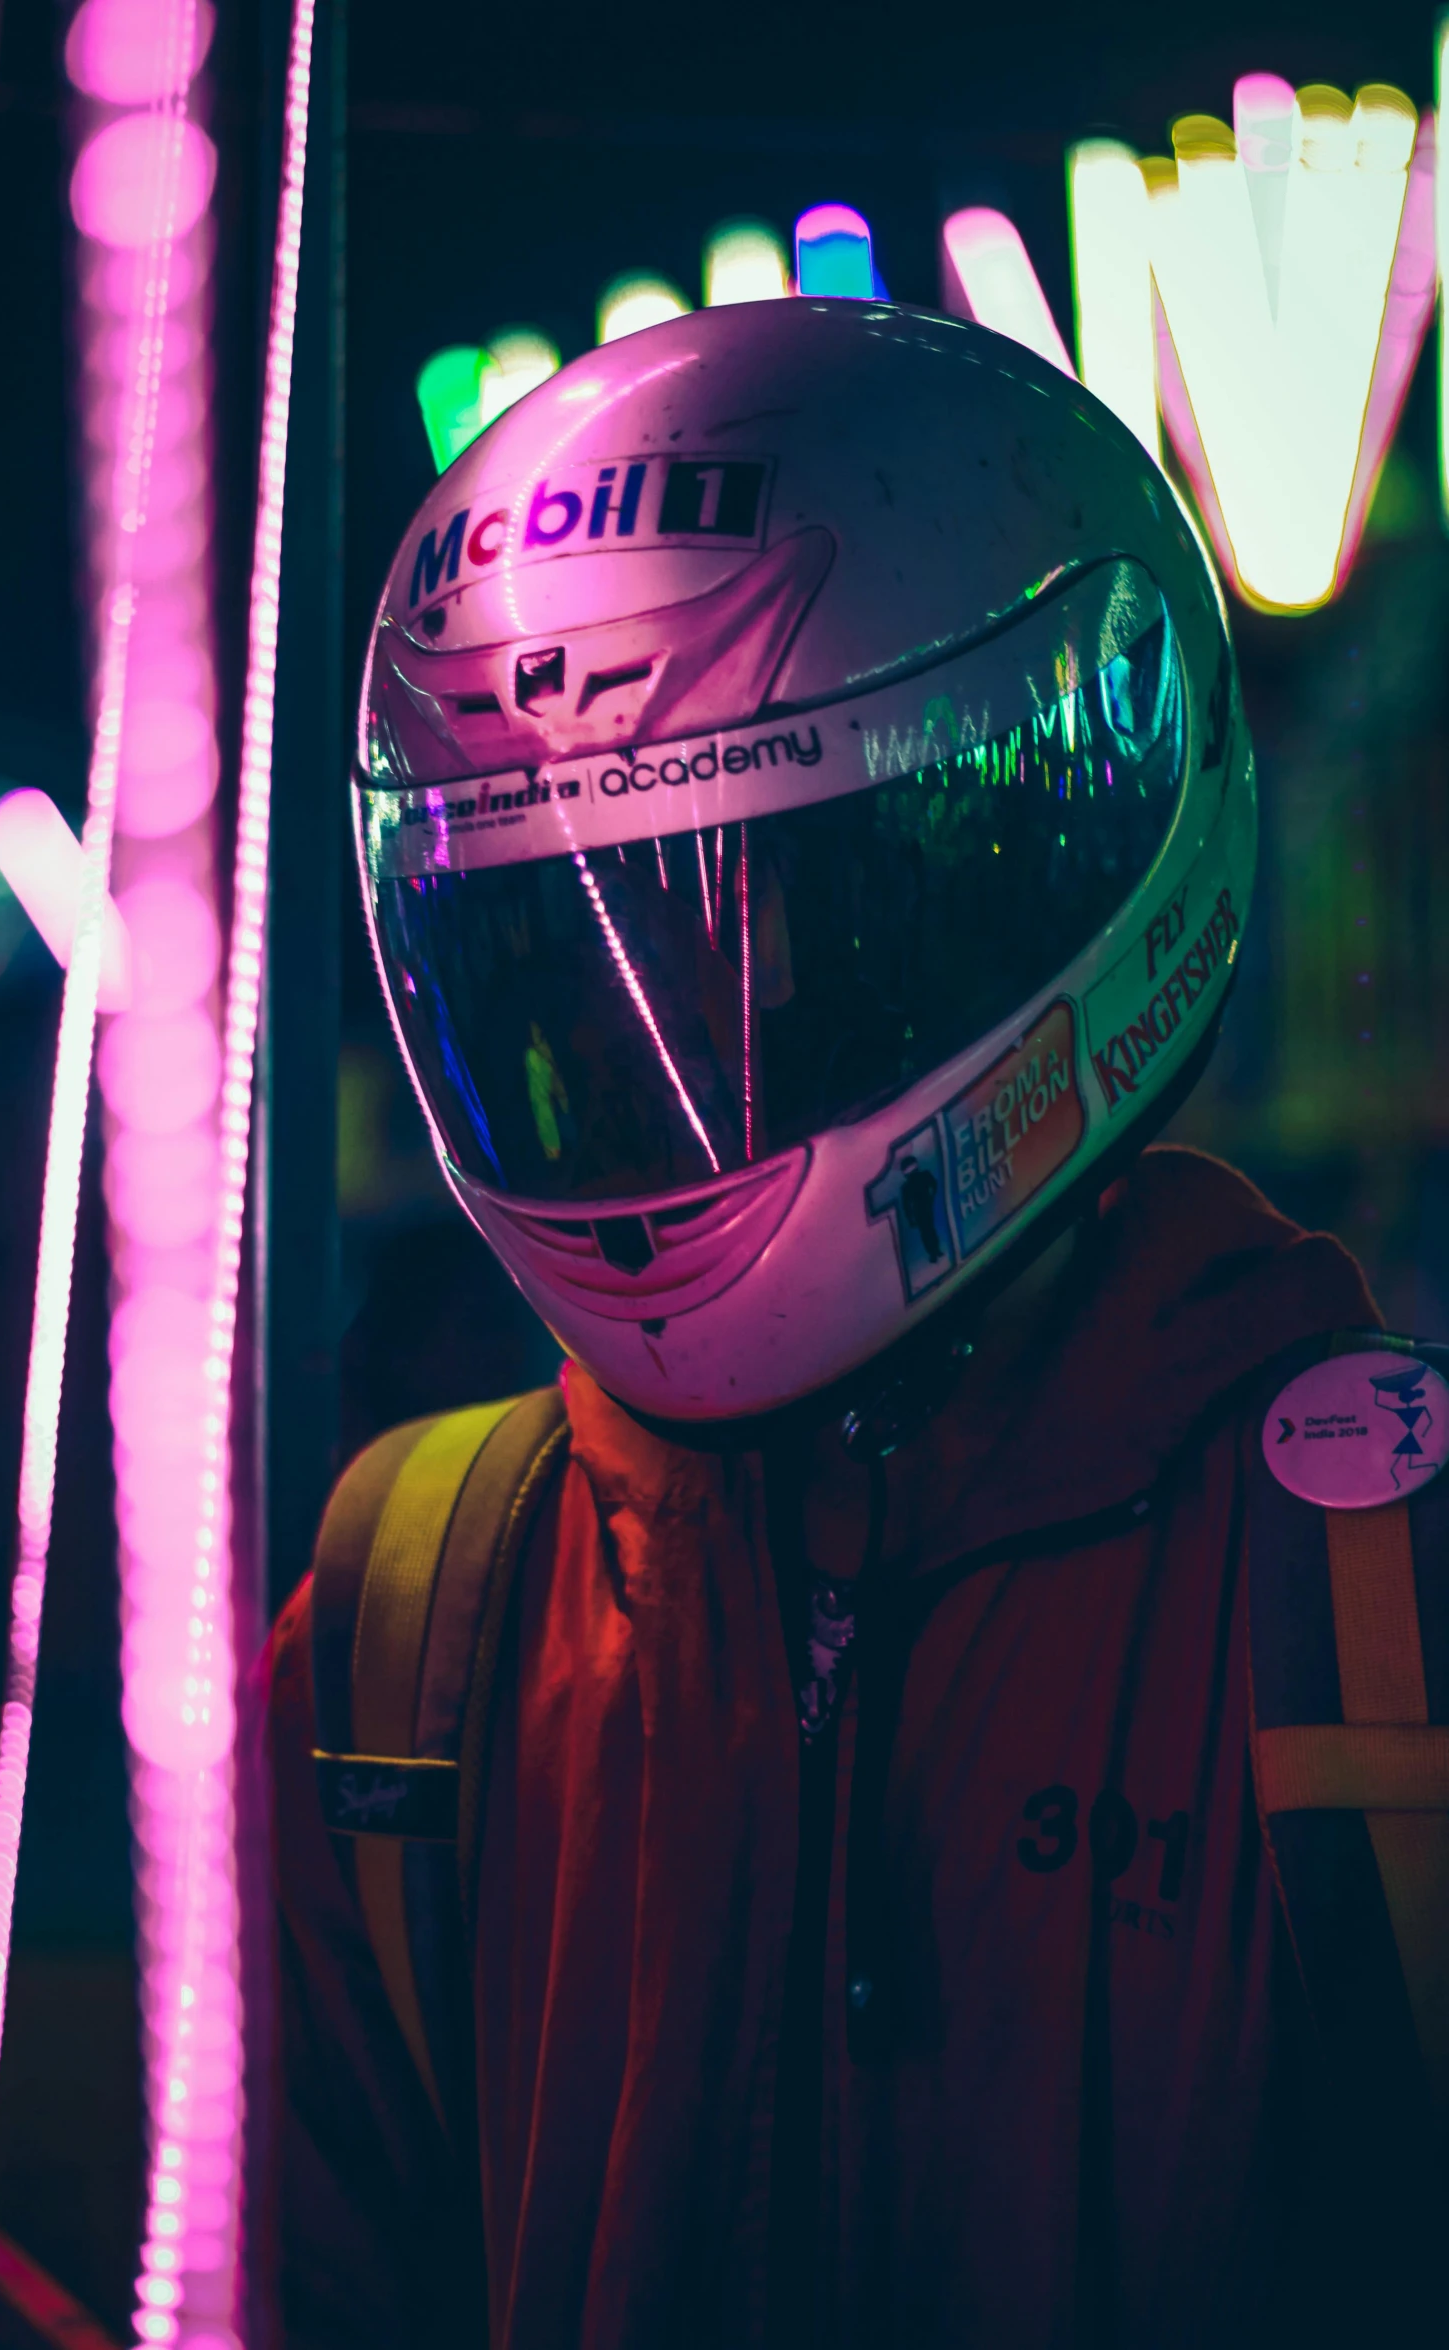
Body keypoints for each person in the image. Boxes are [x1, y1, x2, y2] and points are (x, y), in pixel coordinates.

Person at [265, 301, 1445, 2347]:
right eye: (546, 959)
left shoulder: (1382, 1588)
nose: (626, 1048)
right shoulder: (404, 1620)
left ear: (1019, 847)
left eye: (751, 922)